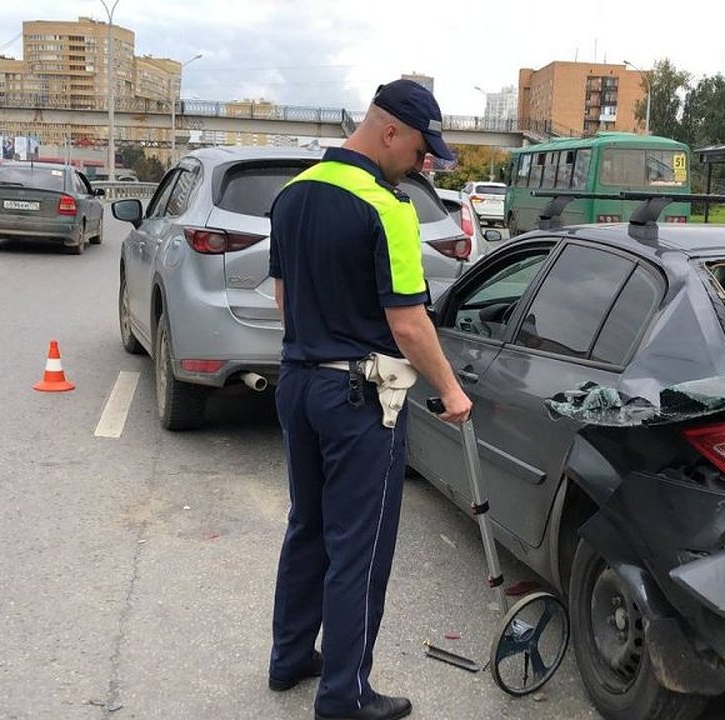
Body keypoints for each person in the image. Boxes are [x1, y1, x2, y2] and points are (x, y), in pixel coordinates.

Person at [265, 79, 473, 720]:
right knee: (360, 545)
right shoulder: (388, 208)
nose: (422, 164)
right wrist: (451, 391)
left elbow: (282, 301)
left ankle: (292, 657)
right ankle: (345, 695)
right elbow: (409, 323)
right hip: (361, 396)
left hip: (298, 382)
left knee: (309, 525)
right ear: (390, 132)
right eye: (419, 150)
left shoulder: (293, 194)